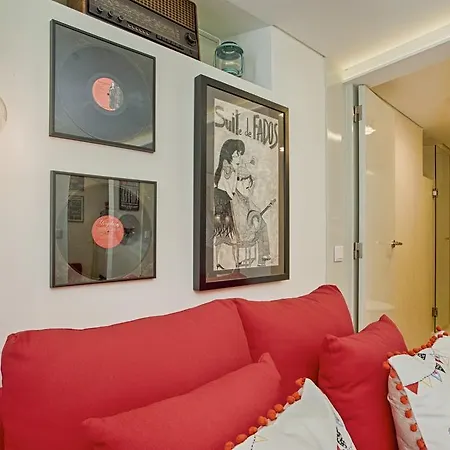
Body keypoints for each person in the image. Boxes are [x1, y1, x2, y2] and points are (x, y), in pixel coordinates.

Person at [213, 139, 245, 239]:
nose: (239, 158)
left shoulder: (234, 169)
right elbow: (226, 185)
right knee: (223, 217)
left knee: (229, 218)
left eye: (240, 155)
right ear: (229, 156)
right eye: (236, 156)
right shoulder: (227, 168)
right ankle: (220, 235)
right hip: (221, 195)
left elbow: (233, 185)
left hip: (227, 196)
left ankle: (226, 235)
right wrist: (232, 196)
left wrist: (233, 193)